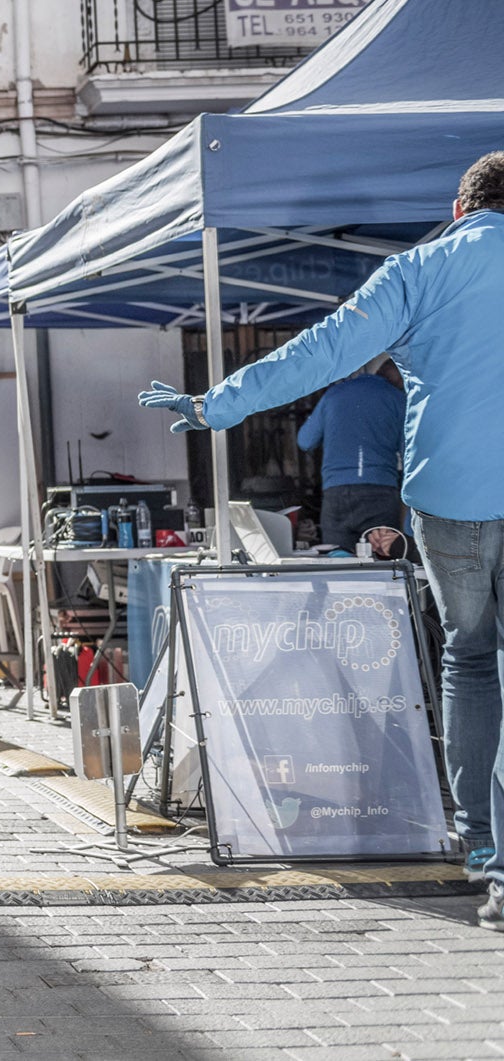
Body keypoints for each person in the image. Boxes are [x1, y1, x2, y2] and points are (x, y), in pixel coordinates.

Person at [138, 150, 504, 924]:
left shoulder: (420, 269)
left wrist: (217, 405)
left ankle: (484, 848)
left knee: (470, 658)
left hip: (450, 499)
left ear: (460, 206)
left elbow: (322, 349)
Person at [297, 359, 405, 552]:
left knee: (338, 564)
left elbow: (305, 440)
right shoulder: (398, 399)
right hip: (380, 492)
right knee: (385, 564)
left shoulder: (332, 395)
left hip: (337, 493)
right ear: (402, 378)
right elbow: (410, 453)